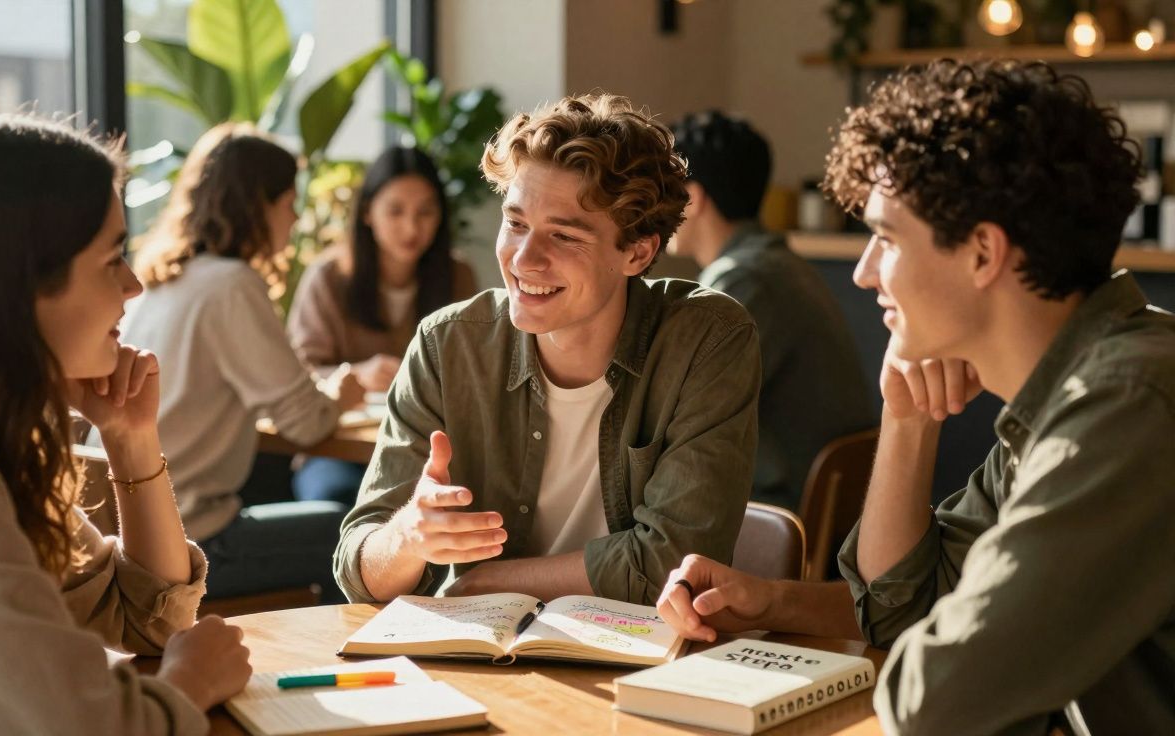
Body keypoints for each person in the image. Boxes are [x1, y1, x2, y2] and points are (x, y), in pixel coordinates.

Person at [658, 60, 1175, 734]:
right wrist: (906, 418)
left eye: (886, 237)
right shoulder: (1066, 398)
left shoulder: (1127, 405)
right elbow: (904, 612)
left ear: (983, 253)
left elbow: (937, 702)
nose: (866, 272)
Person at [0, 104, 251, 734]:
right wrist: (190, 682)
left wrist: (130, 438)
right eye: (109, 259)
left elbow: (148, 620)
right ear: (14, 284)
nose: (133, 286)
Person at [333, 94, 760, 606]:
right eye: (515, 224)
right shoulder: (447, 345)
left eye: (563, 235)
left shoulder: (707, 341)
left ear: (637, 251)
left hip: (640, 657)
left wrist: (491, 580)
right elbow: (357, 568)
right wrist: (408, 537)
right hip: (483, 655)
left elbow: (675, 563)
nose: (524, 259)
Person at [117, 122, 362, 602]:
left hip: (135, 533)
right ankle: (358, 664)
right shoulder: (231, 285)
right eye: (288, 203)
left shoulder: (161, 281)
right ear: (259, 206)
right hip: (193, 542)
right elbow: (307, 423)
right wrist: (342, 395)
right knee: (353, 535)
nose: (293, 220)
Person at [669, 112, 875, 510]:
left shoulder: (746, 282)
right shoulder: (777, 263)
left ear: (693, 199)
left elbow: (683, 403)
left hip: (780, 507)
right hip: (822, 502)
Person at [287, 146, 478, 506]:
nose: (411, 227)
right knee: (336, 498)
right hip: (336, 448)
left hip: (424, 446)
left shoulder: (457, 276)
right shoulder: (328, 278)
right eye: (395, 211)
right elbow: (298, 375)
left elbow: (473, 369)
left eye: (425, 212)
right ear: (367, 213)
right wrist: (359, 373)